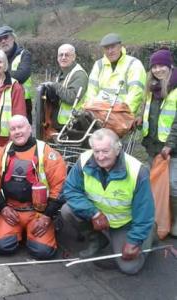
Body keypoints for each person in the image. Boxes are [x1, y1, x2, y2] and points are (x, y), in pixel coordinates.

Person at [61, 128, 155, 275]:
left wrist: (134, 241)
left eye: (105, 151)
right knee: (67, 210)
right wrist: (94, 213)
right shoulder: (84, 160)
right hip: (99, 217)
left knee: (130, 268)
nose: (100, 157)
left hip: (125, 223)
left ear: (117, 150)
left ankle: (148, 235)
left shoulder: (138, 171)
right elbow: (70, 190)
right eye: (96, 151)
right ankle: (97, 240)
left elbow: (144, 211)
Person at [0, 115, 66, 259]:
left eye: (21, 127)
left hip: (39, 214)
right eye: (13, 129)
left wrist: (47, 216)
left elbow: (59, 187)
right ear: (9, 133)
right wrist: (2, 207)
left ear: (29, 128)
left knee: (43, 252)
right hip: (12, 212)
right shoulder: (3, 153)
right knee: (1, 247)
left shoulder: (46, 152)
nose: (17, 132)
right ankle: (20, 232)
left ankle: (46, 227)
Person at [141, 49, 177, 237]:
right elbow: (147, 111)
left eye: (161, 65)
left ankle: (174, 220)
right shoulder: (152, 87)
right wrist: (139, 120)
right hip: (154, 145)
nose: (157, 69)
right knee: (154, 181)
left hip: (172, 148)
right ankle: (159, 218)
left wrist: (170, 144)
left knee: (173, 184)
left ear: (170, 65)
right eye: (154, 66)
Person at [84, 33, 146, 116]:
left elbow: (136, 93)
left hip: (123, 117)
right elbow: (91, 91)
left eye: (113, 47)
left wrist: (122, 114)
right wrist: (90, 110)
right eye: (106, 48)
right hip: (99, 114)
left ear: (120, 47)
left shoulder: (134, 64)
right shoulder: (98, 65)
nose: (110, 51)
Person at [41, 44, 88, 131]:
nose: (63, 57)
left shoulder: (79, 75)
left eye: (67, 55)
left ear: (74, 57)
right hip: (62, 125)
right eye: (61, 55)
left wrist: (54, 86)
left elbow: (72, 98)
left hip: (73, 126)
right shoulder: (63, 73)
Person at [0, 25, 33, 123]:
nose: (3, 41)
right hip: (1, 102)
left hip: (22, 103)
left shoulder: (24, 54)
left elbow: (22, 75)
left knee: (21, 135)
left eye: (6, 37)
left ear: (13, 38)